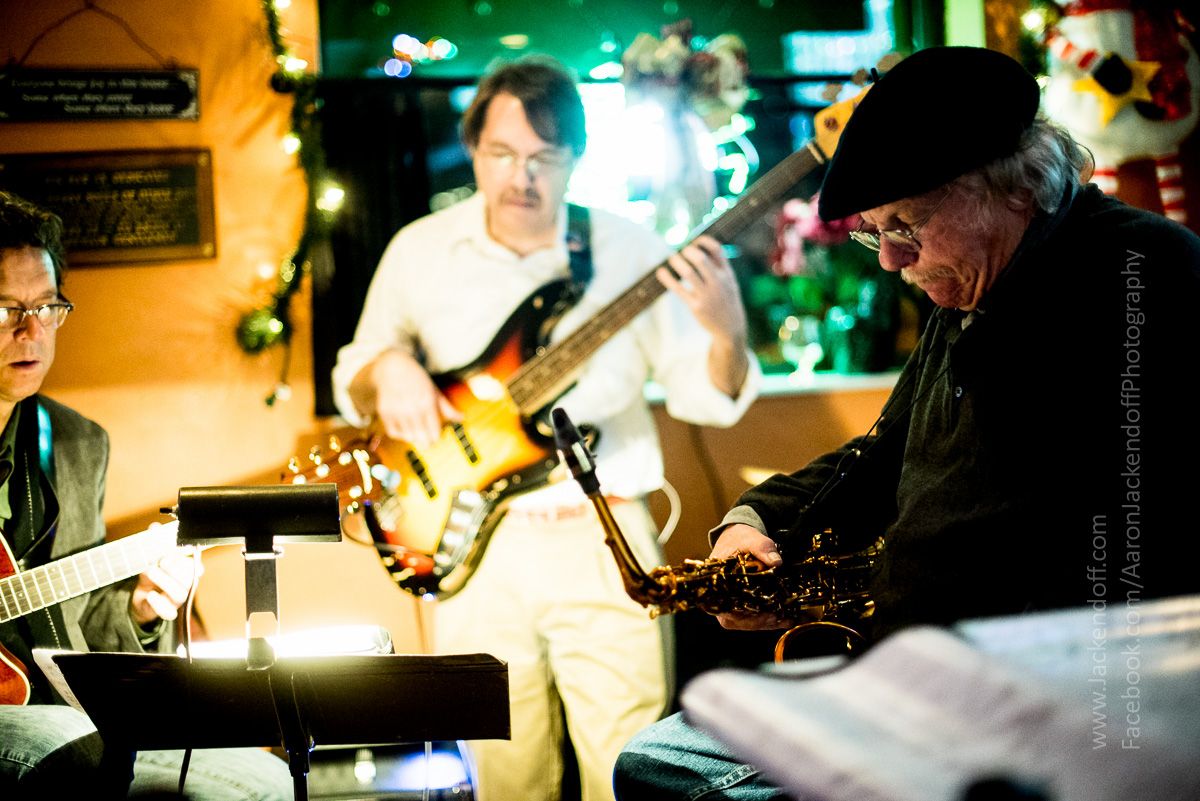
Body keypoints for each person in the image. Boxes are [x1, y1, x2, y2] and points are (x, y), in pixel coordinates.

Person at [612, 45, 1200, 801]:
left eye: (907, 225)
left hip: (1045, 707)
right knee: (660, 758)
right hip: (925, 679)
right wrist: (759, 520)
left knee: (675, 770)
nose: (891, 259)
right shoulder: (975, 285)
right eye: (875, 231)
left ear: (1012, 186)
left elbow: (1131, 549)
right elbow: (883, 454)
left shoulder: (1143, 271)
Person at [331, 55, 759, 801]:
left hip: (606, 541)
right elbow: (356, 371)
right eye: (501, 153)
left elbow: (706, 397)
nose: (520, 176)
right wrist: (388, 369)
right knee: (501, 772)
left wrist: (727, 333)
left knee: (630, 769)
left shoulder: (630, 250)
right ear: (473, 148)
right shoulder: (420, 250)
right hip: (471, 546)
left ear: (575, 158)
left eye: (544, 158)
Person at [0, 190, 292, 800]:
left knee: (268, 782)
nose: (32, 330)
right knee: (79, 754)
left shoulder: (76, 444)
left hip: (70, 706)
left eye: (47, 306)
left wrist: (140, 607)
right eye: (6, 309)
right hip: (40, 726)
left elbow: (80, 620)